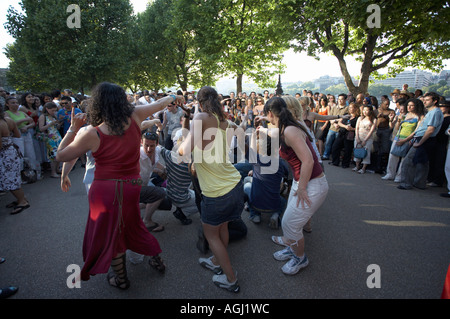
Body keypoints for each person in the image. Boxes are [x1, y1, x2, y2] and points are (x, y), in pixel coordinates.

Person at [56, 82, 184, 289]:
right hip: (131, 186)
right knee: (134, 225)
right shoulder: (135, 116)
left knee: (113, 235)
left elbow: (61, 155)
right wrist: (172, 97)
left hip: (105, 191)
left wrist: (72, 129)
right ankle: (155, 257)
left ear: (98, 105)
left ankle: (122, 280)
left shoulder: (93, 133)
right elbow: (160, 103)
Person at [178, 86, 244, 293]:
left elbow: (183, 151)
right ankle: (217, 260)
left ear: (199, 102)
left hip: (217, 191)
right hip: (234, 184)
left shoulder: (202, 117)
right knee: (222, 227)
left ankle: (231, 279)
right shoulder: (223, 120)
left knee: (211, 235)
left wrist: (182, 141)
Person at [263, 97, 328, 276]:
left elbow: (308, 160)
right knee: (289, 221)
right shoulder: (287, 127)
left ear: (270, 113)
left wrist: (301, 188)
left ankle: (301, 258)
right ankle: (293, 249)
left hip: (311, 184)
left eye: (266, 116)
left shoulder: (290, 130)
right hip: (304, 181)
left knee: (290, 223)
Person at [398, 92, 444, 190]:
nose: (425, 102)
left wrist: (420, 142)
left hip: (424, 139)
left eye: (427, 100)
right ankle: (419, 183)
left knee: (408, 161)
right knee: (422, 162)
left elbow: (430, 129)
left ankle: (406, 183)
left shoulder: (435, 112)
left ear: (435, 101)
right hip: (423, 138)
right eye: (424, 100)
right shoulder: (431, 112)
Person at [382, 98, 424, 182]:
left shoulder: (420, 117)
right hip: (398, 137)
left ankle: (399, 176)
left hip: (408, 139)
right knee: (392, 156)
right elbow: (397, 128)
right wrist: (398, 121)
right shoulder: (405, 115)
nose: (409, 107)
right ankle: (390, 173)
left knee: (403, 159)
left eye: (412, 106)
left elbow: (416, 131)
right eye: (408, 105)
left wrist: (405, 140)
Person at [0, 102, 30, 215]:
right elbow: (17, 135)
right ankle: (20, 199)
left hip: (5, 155)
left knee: (9, 179)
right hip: (12, 151)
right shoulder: (9, 120)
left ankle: (22, 202)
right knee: (14, 177)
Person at [330, 102, 360, 168]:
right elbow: (339, 122)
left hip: (350, 135)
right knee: (335, 147)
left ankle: (345, 164)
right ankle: (335, 162)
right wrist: (345, 126)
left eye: (351, 107)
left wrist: (352, 129)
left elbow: (359, 128)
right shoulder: (346, 115)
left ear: (355, 108)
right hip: (342, 133)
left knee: (348, 150)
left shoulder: (358, 118)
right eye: (349, 107)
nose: (350, 109)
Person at [39, 102, 63, 178]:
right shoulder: (43, 116)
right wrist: (50, 124)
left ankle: (57, 169)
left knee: (59, 154)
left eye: (55, 110)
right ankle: (53, 172)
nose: (54, 112)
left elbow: (57, 127)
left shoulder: (53, 116)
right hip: (49, 138)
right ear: (47, 109)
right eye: (52, 110)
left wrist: (60, 122)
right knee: (53, 155)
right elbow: (41, 128)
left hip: (57, 136)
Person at [354, 105, 377, 174]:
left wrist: (365, 140)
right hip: (359, 137)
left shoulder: (373, 119)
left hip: (367, 138)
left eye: (367, 110)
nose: (365, 112)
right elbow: (357, 128)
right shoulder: (360, 118)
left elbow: (371, 131)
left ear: (370, 111)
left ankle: (363, 168)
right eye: (364, 110)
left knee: (366, 153)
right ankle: (357, 166)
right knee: (357, 151)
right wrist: (357, 137)